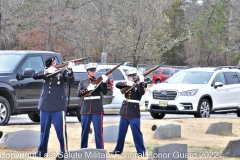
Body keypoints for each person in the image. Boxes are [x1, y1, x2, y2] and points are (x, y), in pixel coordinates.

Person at [30, 56, 75, 159]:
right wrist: (45, 72)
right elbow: (34, 75)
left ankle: (64, 152)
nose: (54, 64)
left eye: (55, 62)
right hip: (45, 105)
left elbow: (70, 81)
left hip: (58, 106)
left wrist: (70, 70)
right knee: (44, 131)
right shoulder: (45, 71)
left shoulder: (62, 72)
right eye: (52, 63)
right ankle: (41, 151)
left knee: (61, 131)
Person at [111, 68, 146, 155]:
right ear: (128, 77)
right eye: (130, 76)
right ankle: (118, 151)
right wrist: (127, 83)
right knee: (121, 134)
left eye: (134, 76)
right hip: (124, 112)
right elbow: (117, 85)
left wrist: (141, 82)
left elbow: (141, 93)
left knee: (137, 134)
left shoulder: (139, 85)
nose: (132, 77)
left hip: (134, 112)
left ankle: (141, 151)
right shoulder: (127, 84)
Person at [77, 63, 108, 149]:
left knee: (98, 132)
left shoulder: (99, 80)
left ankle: (100, 150)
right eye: (91, 70)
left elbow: (105, 92)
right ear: (87, 72)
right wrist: (87, 89)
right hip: (86, 109)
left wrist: (105, 82)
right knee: (84, 131)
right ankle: (83, 150)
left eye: (94, 70)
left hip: (97, 108)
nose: (93, 72)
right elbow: (79, 94)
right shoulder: (83, 82)